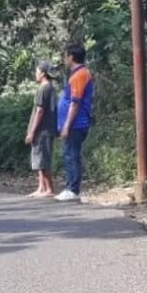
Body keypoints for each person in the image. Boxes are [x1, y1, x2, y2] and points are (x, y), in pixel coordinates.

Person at [56, 42, 95, 202]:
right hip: (74, 123)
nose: (64, 59)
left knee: (71, 155)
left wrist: (66, 125)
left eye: (65, 56)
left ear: (71, 57)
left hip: (76, 123)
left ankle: (73, 189)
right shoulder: (77, 74)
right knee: (69, 154)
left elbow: (75, 102)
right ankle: (70, 186)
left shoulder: (79, 75)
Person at [25, 60, 58, 198]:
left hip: (43, 129)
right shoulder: (50, 88)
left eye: (37, 71)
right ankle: (41, 187)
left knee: (43, 158)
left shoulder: (44, 89)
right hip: (46, 128)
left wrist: (32, 131)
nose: (36, 74)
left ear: (43, 73)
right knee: (39, 158)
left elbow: (40, 111)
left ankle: (49, 189)